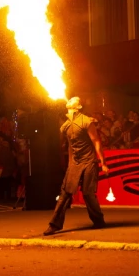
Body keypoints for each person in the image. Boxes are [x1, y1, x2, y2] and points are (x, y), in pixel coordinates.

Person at [44, 97, 109, 236]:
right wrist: (70, 164)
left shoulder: (86, 121)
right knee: (65, 193)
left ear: (78, 106)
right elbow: (70, 147)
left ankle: (98, 221)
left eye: (75, 99)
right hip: (75, 163)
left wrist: (103, 162)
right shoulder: (66, 126)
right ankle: (54, 225)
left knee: (88, 194)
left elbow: (96, 141)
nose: (70, 99)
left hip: (89, 161)